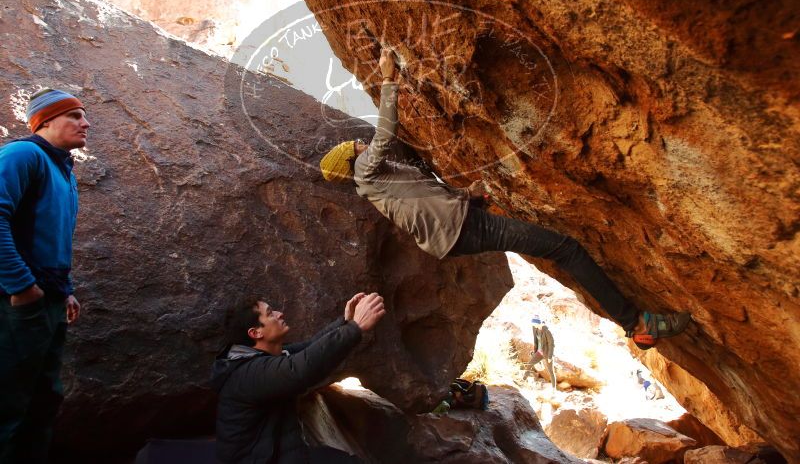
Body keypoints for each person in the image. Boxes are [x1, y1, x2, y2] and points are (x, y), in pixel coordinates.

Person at [319, 49, 690, 350]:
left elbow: (426, 194)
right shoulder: (366, 170)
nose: (360, 142)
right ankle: (636, 323)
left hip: (458, 228)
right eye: (354, 146)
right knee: (566, 249)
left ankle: (633, 322)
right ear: (351, 160)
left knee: (557, 248)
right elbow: (385, 133)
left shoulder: (378, 181)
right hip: (463, 229)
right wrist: (388, 79)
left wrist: (468, 194)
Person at [0, 88, 89, 463]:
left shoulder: (65, 172)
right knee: (7, 404)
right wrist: (22, 286)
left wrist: (62, 290)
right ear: (46, 121)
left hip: (48, 302)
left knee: (44, 399)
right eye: (75, 116)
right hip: (15, 303)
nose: (86, 123)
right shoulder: (23, 154)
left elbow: (51, 239)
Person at [211, 292, 386, 464]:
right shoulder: (249, 374)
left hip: (278, 453)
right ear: (255, 333)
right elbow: (301, 369)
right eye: (271, 313)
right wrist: (355, 327)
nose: (280, 314)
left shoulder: (264, 358)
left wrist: (345, 322)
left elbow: (309, 348)